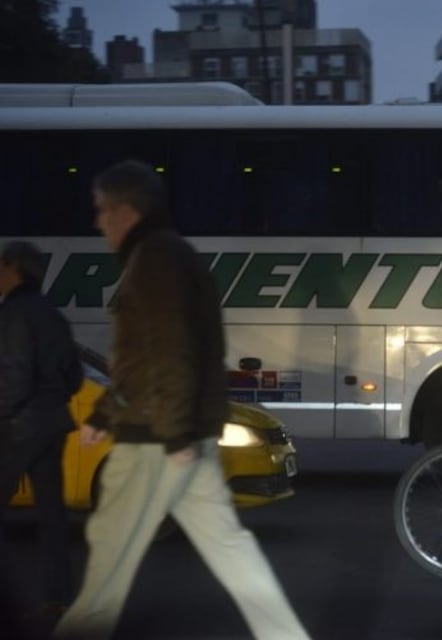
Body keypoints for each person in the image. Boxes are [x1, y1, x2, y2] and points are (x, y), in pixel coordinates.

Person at [53, 160, 311, 640]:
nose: (98, 222)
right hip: (180, 434)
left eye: (103, 211)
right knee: (230, 548)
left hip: (155, 440)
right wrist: (107, 414)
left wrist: (170, 436)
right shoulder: (174, 255)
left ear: (127, 211)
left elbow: (167, 354)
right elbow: (154, 355)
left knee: (110, 554)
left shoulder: (154, 260)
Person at [0, 241, 82, 619]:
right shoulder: (53, 315)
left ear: (14, 268)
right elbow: (74, 377)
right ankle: (59, 595)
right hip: (53, 423)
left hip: (18, 427)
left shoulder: (13, 313)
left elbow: (14, 376)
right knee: (52, 517)